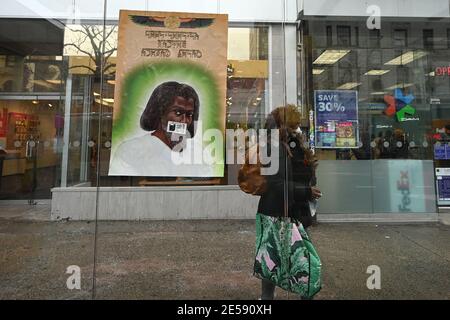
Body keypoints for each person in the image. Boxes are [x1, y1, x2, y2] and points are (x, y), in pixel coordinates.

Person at [256, 105, 322, 300]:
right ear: (280, 125)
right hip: (277, 211)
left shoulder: (293, 144)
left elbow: (302, 172)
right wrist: (306, 191)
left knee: (300, 257)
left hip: (296, 209)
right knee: (273, 258)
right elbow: (275, 184)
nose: (296, 129)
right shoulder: (272, 146)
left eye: (296, 126)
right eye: (292, 125)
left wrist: (309, 184)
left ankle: (302, 293)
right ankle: (267, 298)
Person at [109, 81, 214, 176]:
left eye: (189, 114)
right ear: (159, 112)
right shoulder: (130, 150)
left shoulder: (198, 153)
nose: (185, 121)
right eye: (178, 113)